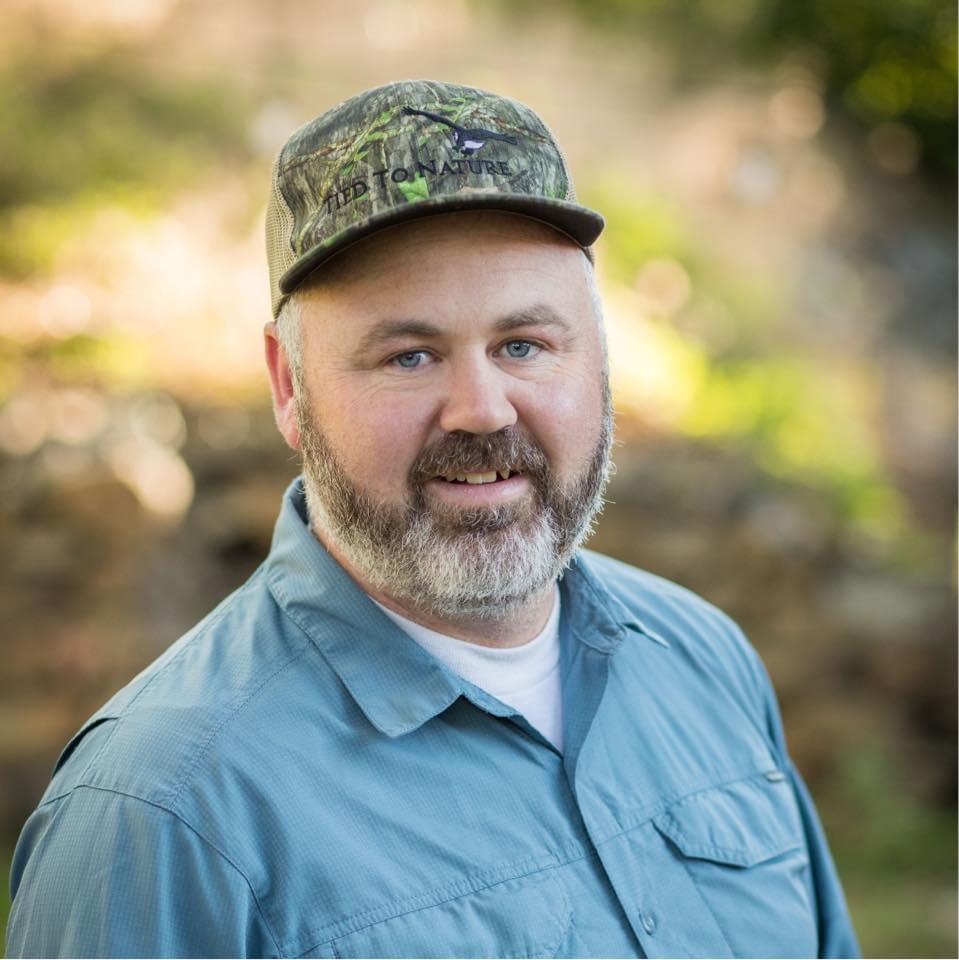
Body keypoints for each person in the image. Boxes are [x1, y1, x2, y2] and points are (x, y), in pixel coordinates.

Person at [6, 79, 859, 959]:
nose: (482, 410)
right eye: (408, 355)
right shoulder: (161, 816)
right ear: (288, 386)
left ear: (598, 359)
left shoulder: (702, 660)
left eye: (523, 345)